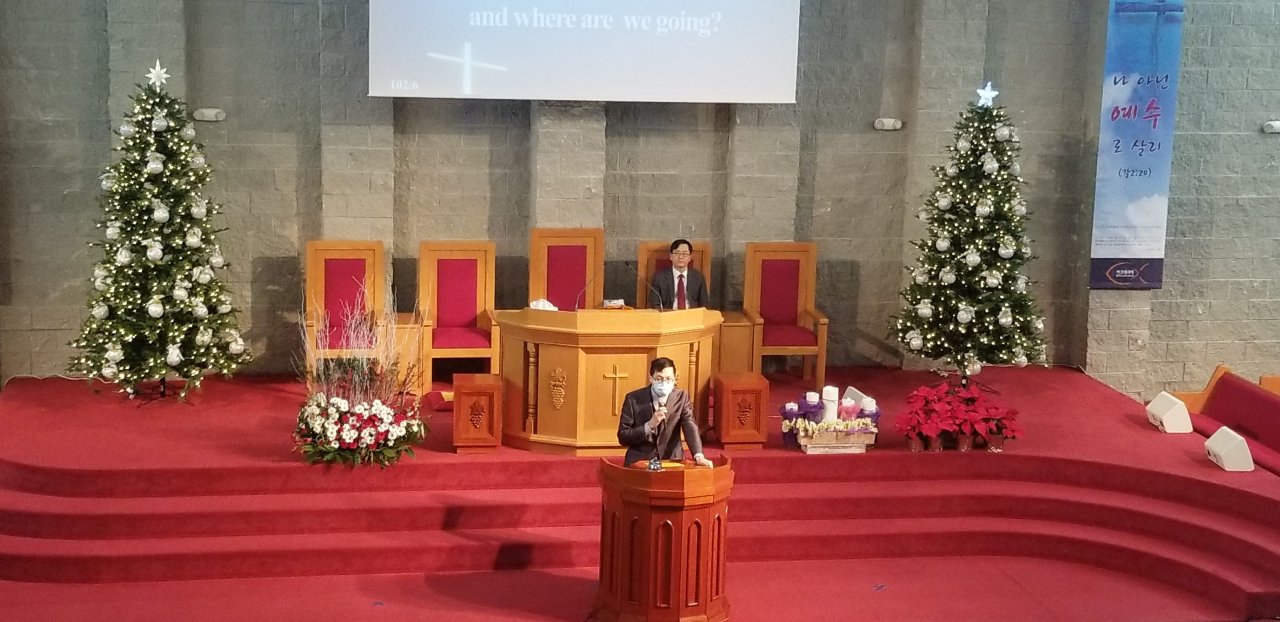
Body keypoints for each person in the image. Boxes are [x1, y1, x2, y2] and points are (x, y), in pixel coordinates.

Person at [617, 357, 713, 467]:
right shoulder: (633, 399)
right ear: (651, 378)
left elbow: (689, 425)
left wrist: (698, 455)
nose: (664, 383)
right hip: (640, 461)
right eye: (659, 378)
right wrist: (649, 426)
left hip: (672, 460)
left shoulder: (682, 397)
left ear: (674, 379)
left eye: (668, 379)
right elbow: (623, 437)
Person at [649, 239, 708, 310]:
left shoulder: (698, 277)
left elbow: (704, 304)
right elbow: (654, 304)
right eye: (677, 253)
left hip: (692, 315)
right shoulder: (659, 277)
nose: (681, 257)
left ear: (689, 257)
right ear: (671, 256)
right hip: (668, 315)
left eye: (684, 254)